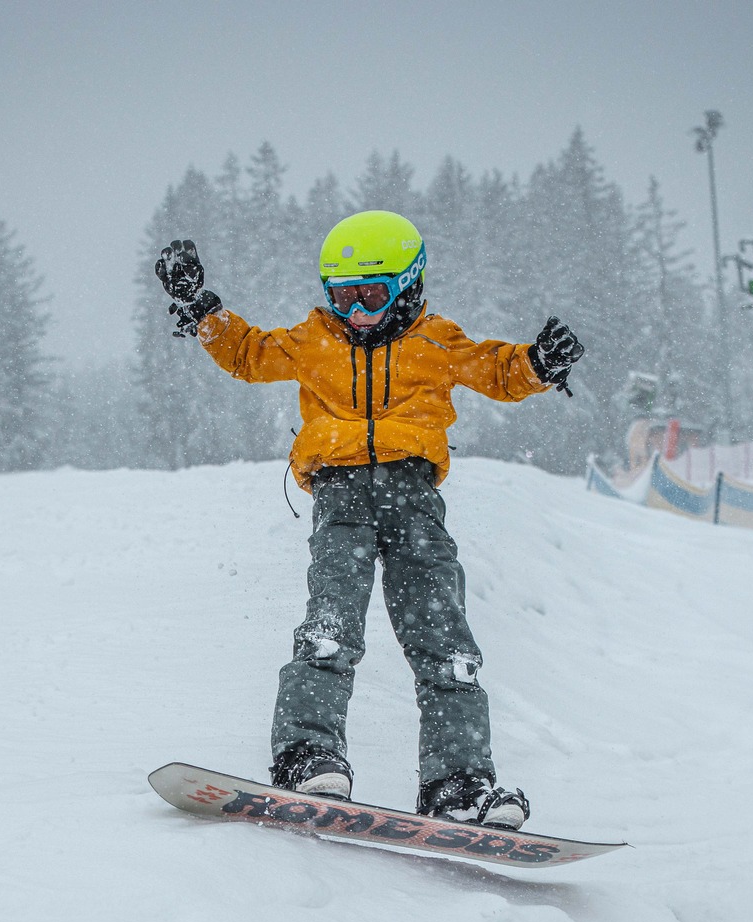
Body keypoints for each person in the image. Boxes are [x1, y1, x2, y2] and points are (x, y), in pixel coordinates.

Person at [154, 210, 584, 830]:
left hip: (414, 502)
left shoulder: (435, 341)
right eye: (343, 296)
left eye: (371, 295)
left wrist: (539, 363)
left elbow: (496, 368)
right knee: (330, 629)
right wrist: (202, 308)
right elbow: (248, 354)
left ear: (407, 286)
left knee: (446, 647)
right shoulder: (313, 340)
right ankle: (308, 753)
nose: (356, 311)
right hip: (341, 498)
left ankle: (457, 782)